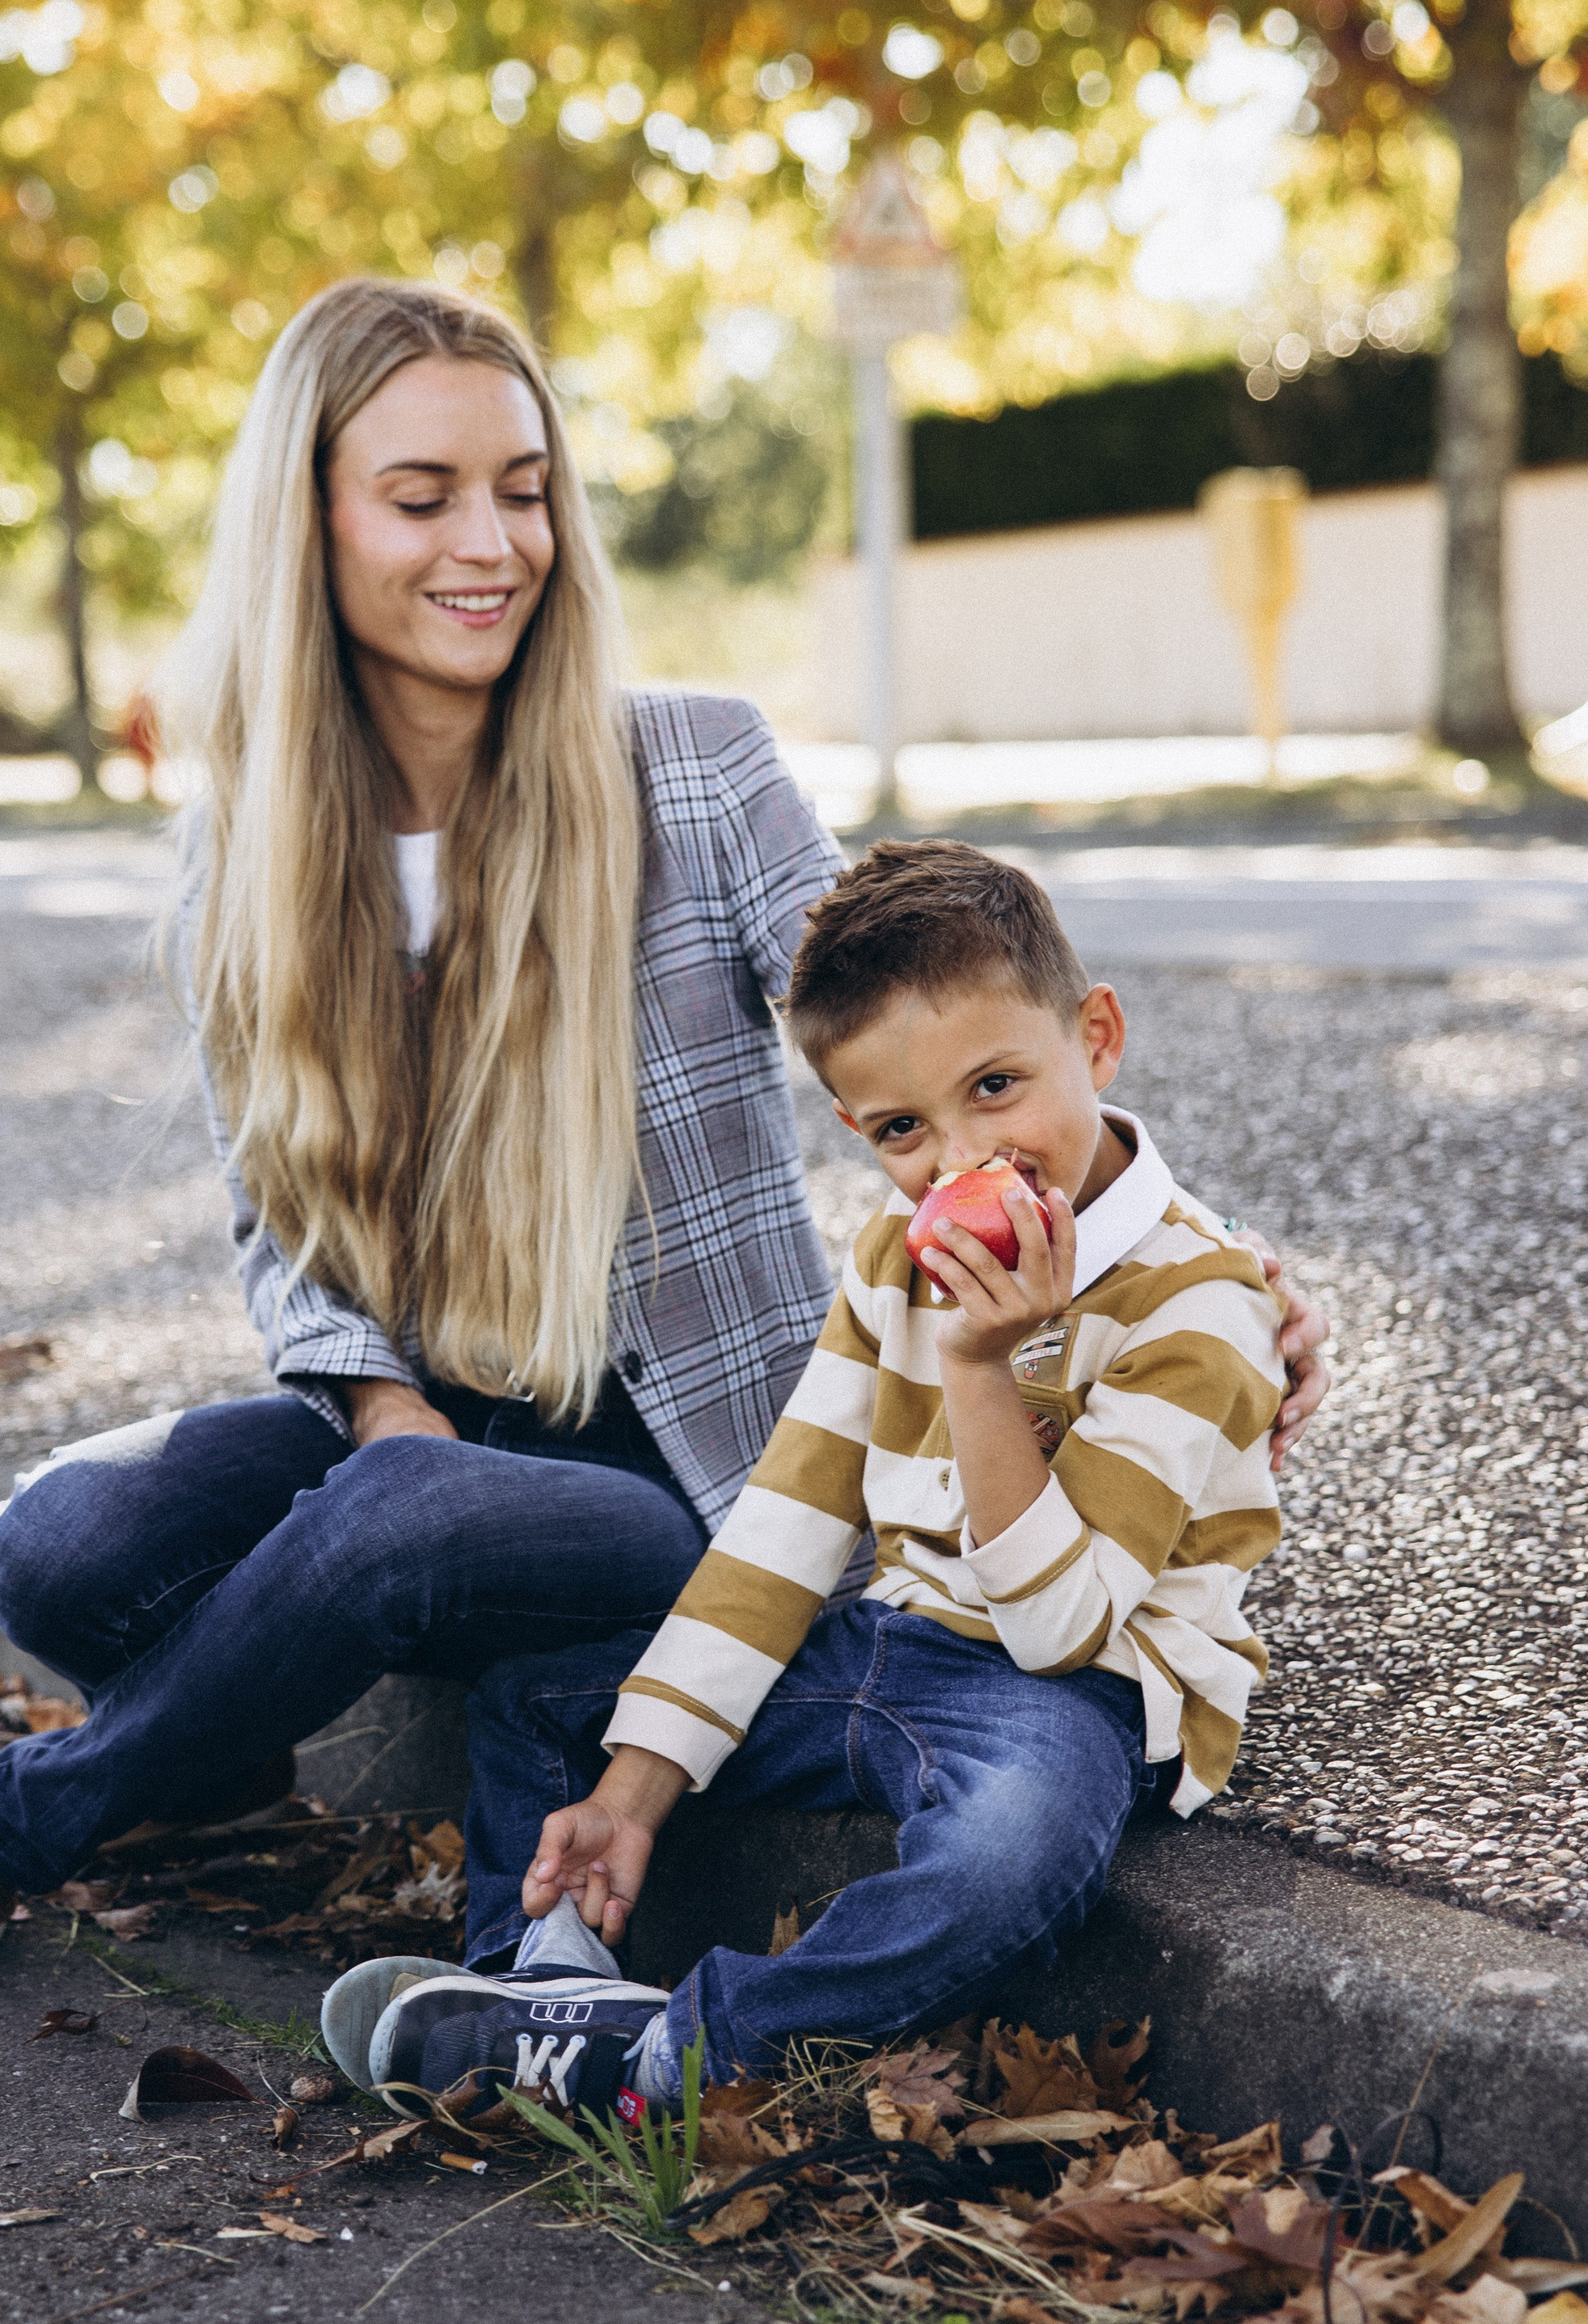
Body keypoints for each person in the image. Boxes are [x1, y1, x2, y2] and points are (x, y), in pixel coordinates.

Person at [0, 283, 1326, 2001]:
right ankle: (203, 1790)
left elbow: (937, 1037)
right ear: (312, 519)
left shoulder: (697, 771)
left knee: (395, 1528)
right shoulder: (246, 844)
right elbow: (276, 1222)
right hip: (419, 1428)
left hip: (666, 1471)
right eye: (422, 497)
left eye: (523, 488)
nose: (491, 541)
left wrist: (1180, 1258)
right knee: (58, 1546)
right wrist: (385, 1420)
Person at [325, 839, 1289, 2119]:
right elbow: (783, 1529)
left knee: (1011, 1858)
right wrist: (632, 1793)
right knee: (543, 1704)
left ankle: (692, 2051)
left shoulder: (1199, 1304)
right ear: (855, 1128)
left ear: (1095, 1037)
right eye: (905, 1129)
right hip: (892, 1641)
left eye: (997, 1086)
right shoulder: (896, 1254)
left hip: (1078, 1698)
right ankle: (536, 1992)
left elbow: (1061, 1633)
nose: (963, 1161)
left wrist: (983, 1368)